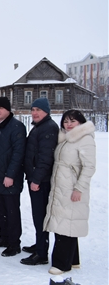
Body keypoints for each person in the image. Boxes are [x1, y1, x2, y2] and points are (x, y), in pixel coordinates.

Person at [44, 110, 96, 275]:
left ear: (80, 122)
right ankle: (73, 260)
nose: (68, 124)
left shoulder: (85, 139)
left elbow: (89, 167)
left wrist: (79, 189)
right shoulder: (67, 139)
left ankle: (61, 264)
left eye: (72, 121)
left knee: (66, 224)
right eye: (66, 121)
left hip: (72, 188)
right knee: (67, 221)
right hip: (61, 186)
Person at [20, 98, 59, 266]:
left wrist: (36, 179)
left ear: (47, 111)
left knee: (40, 216)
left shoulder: (48, 128)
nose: (34, 113)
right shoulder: (40, 127)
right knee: (38, 216)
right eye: (33, 109)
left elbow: (45, 158)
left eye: (38, 110)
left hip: (41, 181)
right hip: (36, 178)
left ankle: (41, 254)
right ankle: (40, 244)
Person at [0, 96, 26, 257]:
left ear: (8, 110)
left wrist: (10, 175)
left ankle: (14, 243)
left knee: (11, 211)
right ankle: (3, 237)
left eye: (1, 108)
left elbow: (18, 153)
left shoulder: (17, 127)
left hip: (10, 178)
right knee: (1, 209)